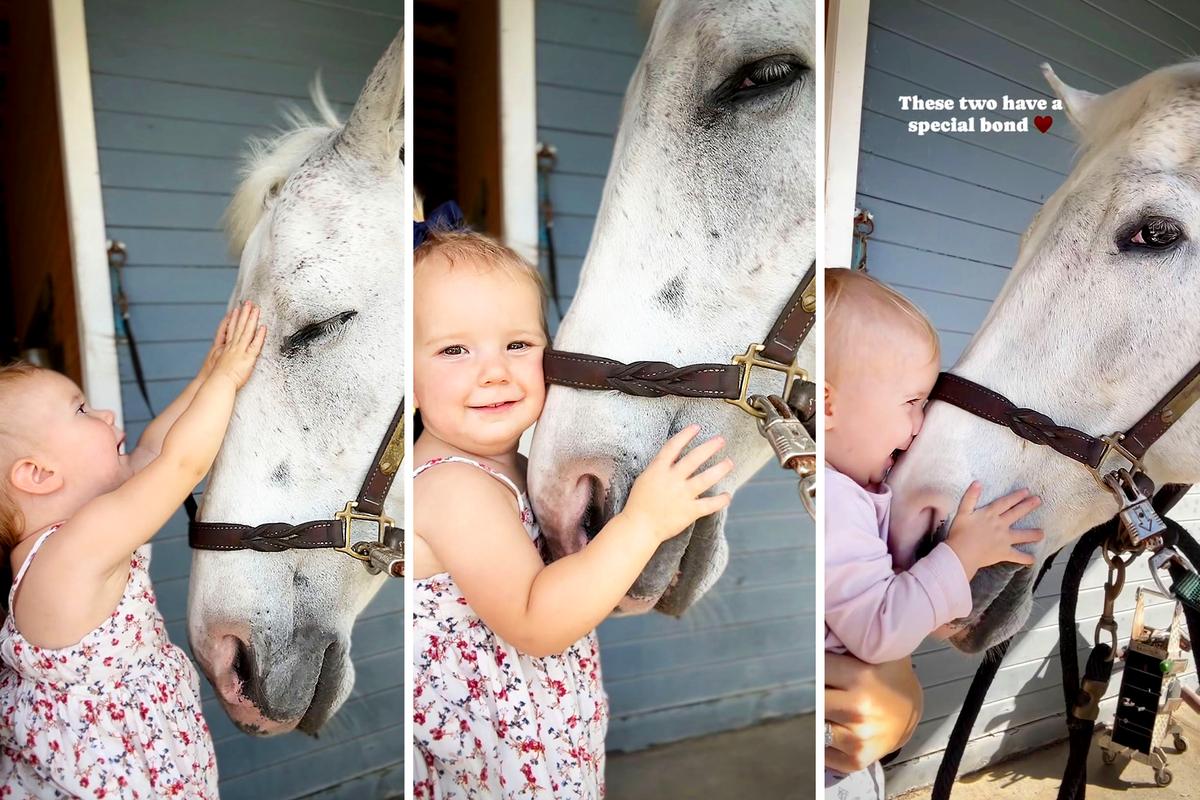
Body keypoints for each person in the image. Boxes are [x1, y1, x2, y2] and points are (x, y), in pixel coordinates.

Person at [411, 213, 732, 799]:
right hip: (492, 769)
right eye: (454, 349)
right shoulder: (453, 488)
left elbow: (562, 584)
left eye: (518, 344)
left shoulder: (517, 468)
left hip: (542, 748)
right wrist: (640, 523)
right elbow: (535, 623)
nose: (494, 372)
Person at [0, 301, 266, 797]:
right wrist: (225, 382)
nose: (105, 413)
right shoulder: (69, 556)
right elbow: (180, 465)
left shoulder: (74, 540)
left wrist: (206, 373)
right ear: (38, 474)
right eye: (82, 410)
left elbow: (154, 452)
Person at [823, 269, 1044, 798]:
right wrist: (961, 555)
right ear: (828, 404)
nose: (921, 425)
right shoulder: (832, 498)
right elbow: (879, 628)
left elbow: (869, 607)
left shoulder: (849, 490)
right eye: (912, 403)